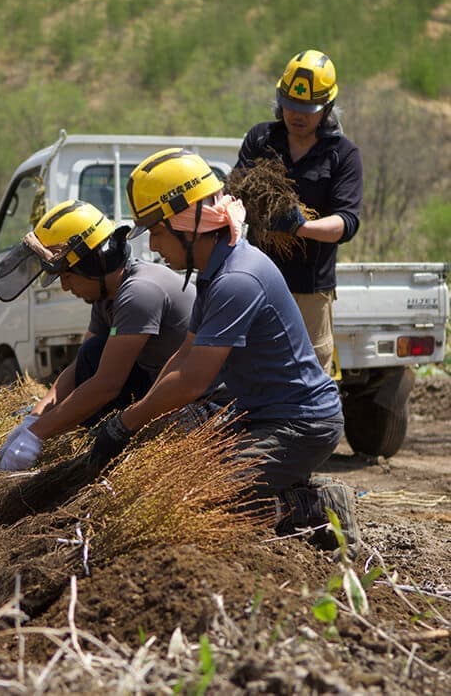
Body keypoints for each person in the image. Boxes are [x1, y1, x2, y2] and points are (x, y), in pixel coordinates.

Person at [89, 148, 358, 553]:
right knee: (170, 478)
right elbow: (184, 355)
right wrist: (142, 418)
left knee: (197, 502)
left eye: (157, 232)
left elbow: (192, 382)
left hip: (301, 424)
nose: (154, 246)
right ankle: (285, 482)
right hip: (259, 416)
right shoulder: (214, 270)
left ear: (187, 224)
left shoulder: (237, 278)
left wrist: (125, 424)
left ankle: (311, 506)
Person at [0, 199, 196, 472]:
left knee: (95, 370)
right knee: (91, 354)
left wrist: (36, 436)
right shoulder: (107, 297)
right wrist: (34, 418)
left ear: (92, 265)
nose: (65, 286)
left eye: (67, 275)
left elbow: (107, 384)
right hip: (155, 383)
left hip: (195, 402)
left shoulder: (139, 293)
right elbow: (80, 368)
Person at [234, 49, 363, 374]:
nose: (296, 115)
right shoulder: (261, 139)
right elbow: (236, 192)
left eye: (308, 109)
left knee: (309, 375)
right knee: (254, 370)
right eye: (290, 105)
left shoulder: (343, 155)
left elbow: (346, 222)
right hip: (257, 280)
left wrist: (300, 226)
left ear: (327, 108)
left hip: (309, 290)